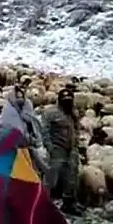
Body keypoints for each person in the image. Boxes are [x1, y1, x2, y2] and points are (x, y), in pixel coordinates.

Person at [42, 88, 83, 216]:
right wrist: (49, 146)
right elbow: (44, 130)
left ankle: (69, 203)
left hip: (71, 149)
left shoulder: (73, 112)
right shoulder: (51, 113)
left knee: (72, 176)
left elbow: (76, 128)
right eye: (65, 100)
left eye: (70, 100)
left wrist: (76, 144)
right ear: (59, 100)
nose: (68, 103)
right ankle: (44, 203)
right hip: (57, 148)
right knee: (51, 176)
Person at [0, 86, 49, 177]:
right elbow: (7, 128)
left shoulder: (27, 107)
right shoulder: (9, 111)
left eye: (22, 96)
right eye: (17, 97)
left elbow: (34, 126)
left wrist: (33, 139)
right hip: (11, 146)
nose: (20, 99)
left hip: (28, 144)